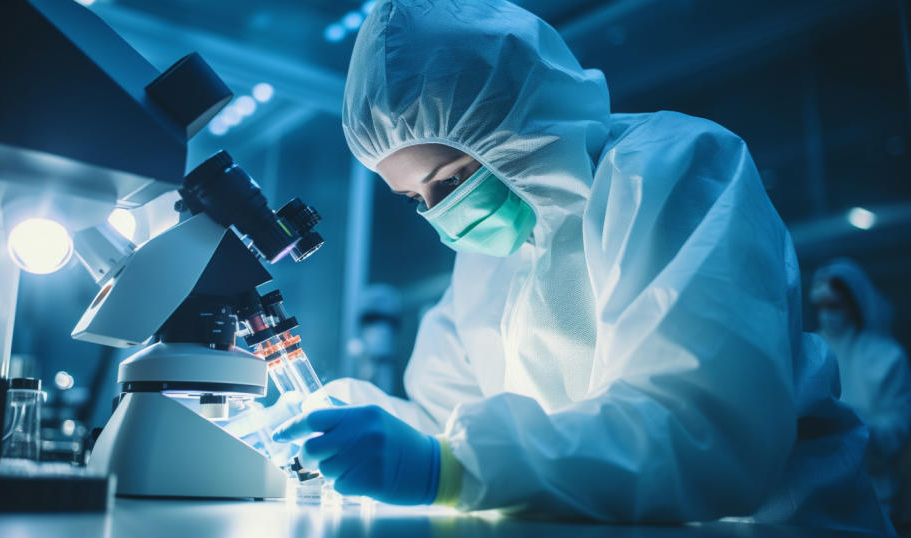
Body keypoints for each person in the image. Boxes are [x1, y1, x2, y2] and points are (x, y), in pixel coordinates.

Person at [272, 0, 890, 532]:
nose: (442, 214)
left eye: (452, 179)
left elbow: (701, 432)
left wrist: (449, 469)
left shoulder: (671, 171)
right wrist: (343, 413)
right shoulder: (490, 258)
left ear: (515, 124)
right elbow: (448, 424)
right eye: (416, 199)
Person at [811, 258, 911, 516]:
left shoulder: (887, 357)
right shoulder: (808, 351)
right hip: (813, 491)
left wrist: (851, 424)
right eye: (820, 306)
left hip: (872, 491)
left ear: (854, 304)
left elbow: (897, 428)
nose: (826, 313)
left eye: (834, 305)